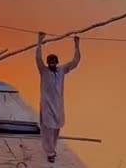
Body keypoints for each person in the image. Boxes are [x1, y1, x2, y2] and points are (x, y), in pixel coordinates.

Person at [36, 32, 81, 163]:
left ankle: (52, 150)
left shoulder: (61, 70)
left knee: (56, 128)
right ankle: (49, 152)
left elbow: (75, 62)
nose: (52, 63)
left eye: (54, 62)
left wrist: (77, 45)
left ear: (57, 62)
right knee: (48, 128)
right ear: (47, 63)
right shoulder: (43, 71)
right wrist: (39, 41)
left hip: (58, 105)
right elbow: (38, 58)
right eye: (50, 62)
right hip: (46, 105)